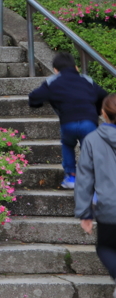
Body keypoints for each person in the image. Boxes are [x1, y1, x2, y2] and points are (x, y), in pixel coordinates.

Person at [31, 51, 109, 189]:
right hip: (89, 123)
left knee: (67, 144)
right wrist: (96, 111)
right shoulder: (87, 80)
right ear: (76, 67)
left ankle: (71, 176)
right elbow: (104, 96)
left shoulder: (53, 81)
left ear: (56, 70)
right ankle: (93, 180)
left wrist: (38, 103)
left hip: (68, 123)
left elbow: (34, 97)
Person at [75, 93, 116, 286]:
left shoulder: (92, 140)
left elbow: (85, 178)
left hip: (109, 207)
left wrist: (85, 213)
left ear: (103, 113)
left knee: (106, 248)